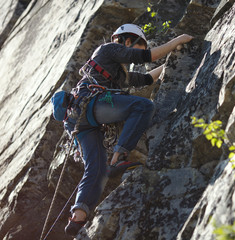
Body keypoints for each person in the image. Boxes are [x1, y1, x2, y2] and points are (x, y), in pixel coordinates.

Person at [63, 23, 193, 236]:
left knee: (95, 169)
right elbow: (147, 57)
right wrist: (176, 41)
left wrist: (170, 62)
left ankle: (78, 216)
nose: (137, 52)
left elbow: (146, 79)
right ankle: (119, 157)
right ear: (127, 40)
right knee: (143, 106)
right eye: (138, 46)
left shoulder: (118, 72)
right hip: (91, 106)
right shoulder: (108, 50)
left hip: (79, 119)